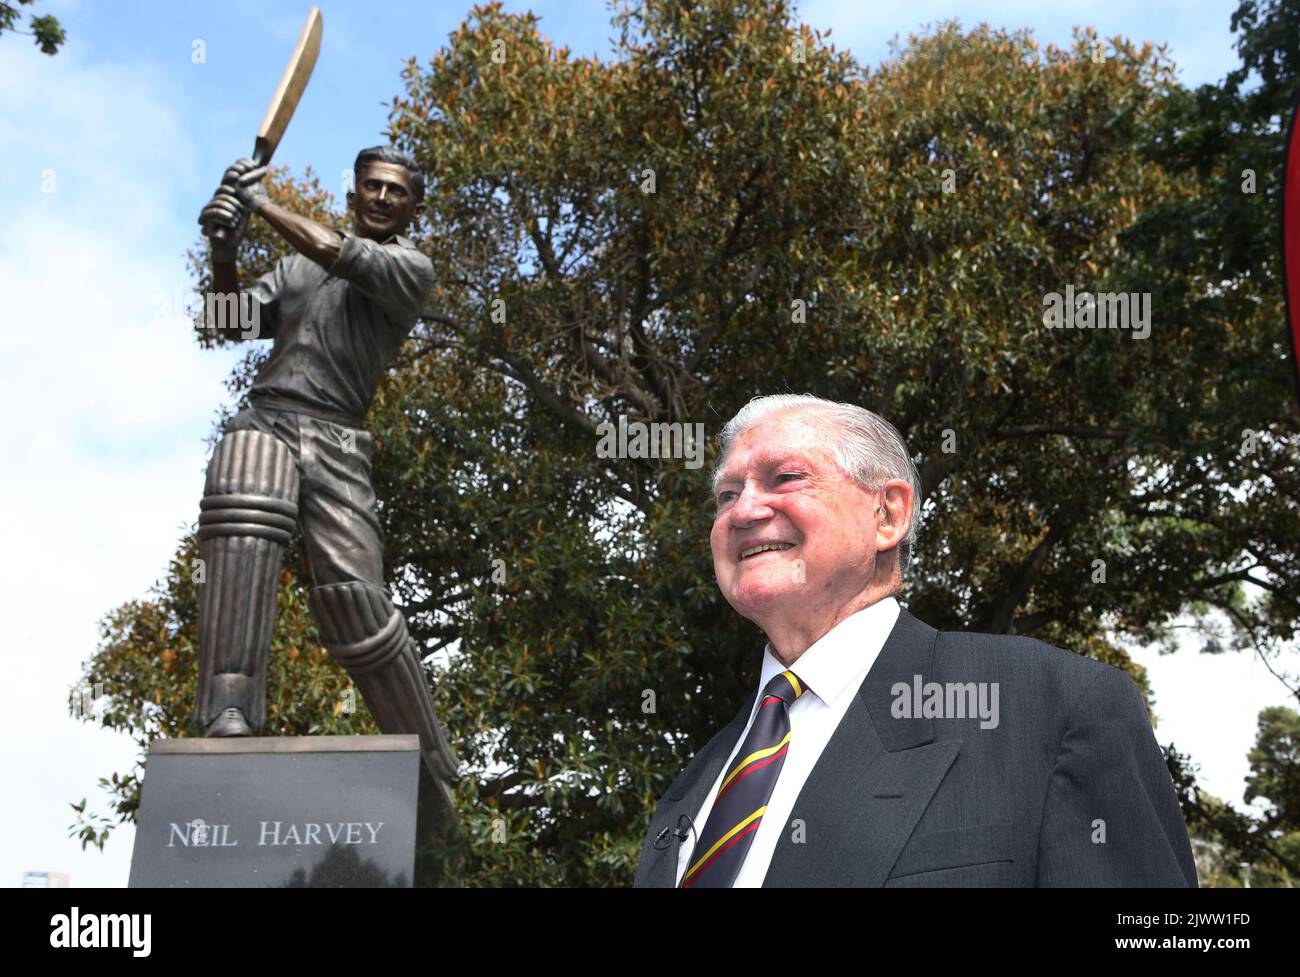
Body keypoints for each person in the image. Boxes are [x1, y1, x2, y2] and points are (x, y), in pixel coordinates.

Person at [633, 393, 1197, 887]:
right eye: (727, 494)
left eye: (785, 478)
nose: (744, 511)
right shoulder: (700, 781)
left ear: (888, 514)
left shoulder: (1048, 706)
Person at [191, 147, 457, 806]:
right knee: (241, 519)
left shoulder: (408, 268)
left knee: (353, 600)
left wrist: (258, 203)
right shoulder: (294, 267)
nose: (385, 198)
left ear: (413, 208)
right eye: (374, 185)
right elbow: (222, 321)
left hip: (338, 438)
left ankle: (429, 768)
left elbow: (342, 255)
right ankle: (227, 711)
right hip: (267, 418)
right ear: (354, 192)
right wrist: (225, 249)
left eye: (398, 191)